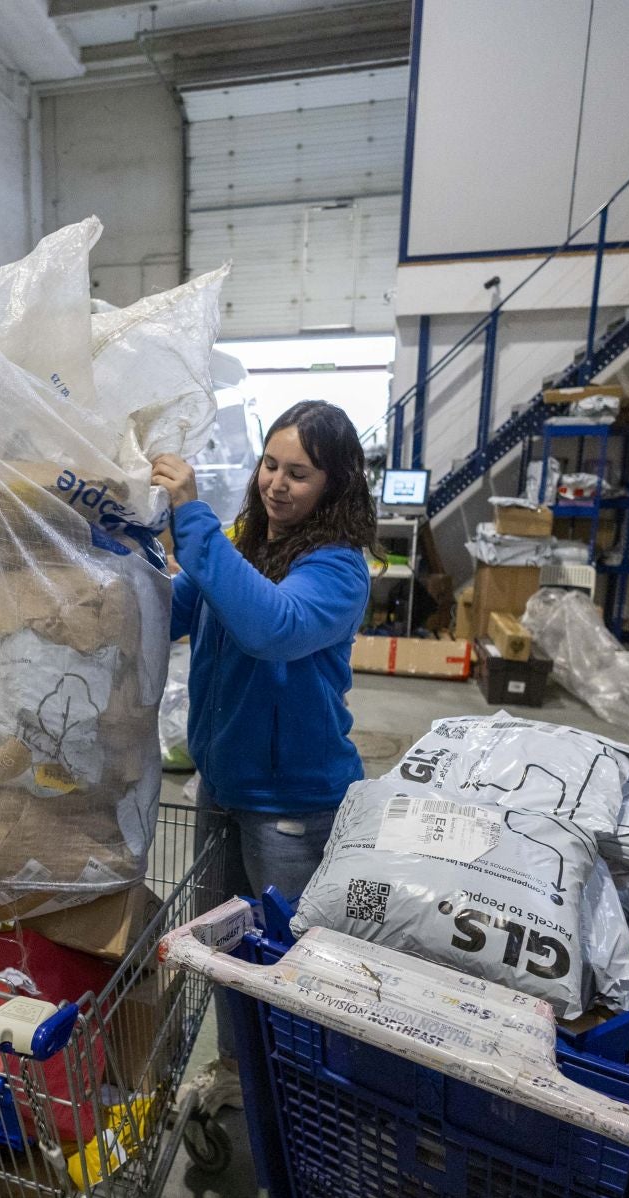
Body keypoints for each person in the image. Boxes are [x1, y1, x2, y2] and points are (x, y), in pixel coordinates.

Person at [150, 400, 375, 1104]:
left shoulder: (339, 570)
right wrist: (119, 551)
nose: (277, 483)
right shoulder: (245, 541)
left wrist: (194, 525)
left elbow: (271, 626)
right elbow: (177, 609)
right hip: (224, 786)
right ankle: (240, 1070)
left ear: (334, 486)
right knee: (224, 953)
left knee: (289, 963)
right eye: (270, 465)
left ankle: (305, 1098)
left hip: (291, 805)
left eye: (299, 474)